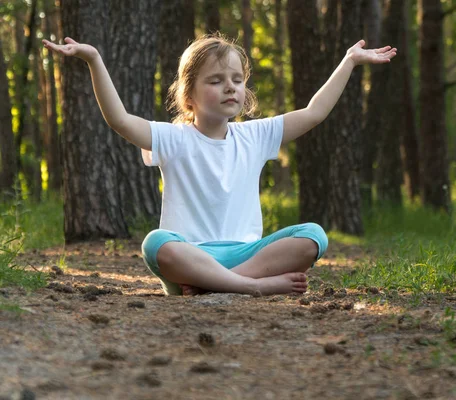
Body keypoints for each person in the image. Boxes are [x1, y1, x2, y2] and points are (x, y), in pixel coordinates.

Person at [42, 33, 396, 297]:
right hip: (188, 257)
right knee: (155, 243)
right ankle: (250, 287)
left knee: (313, 236)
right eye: (215, 81)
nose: (230, 87)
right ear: (188, 95)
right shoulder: (173, 138)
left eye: (237, 80)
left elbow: (314, 113)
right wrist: (94, 59)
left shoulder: (254, 136)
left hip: (246, 254)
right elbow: (119, 119)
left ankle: (221, 284)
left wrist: (349, 60)